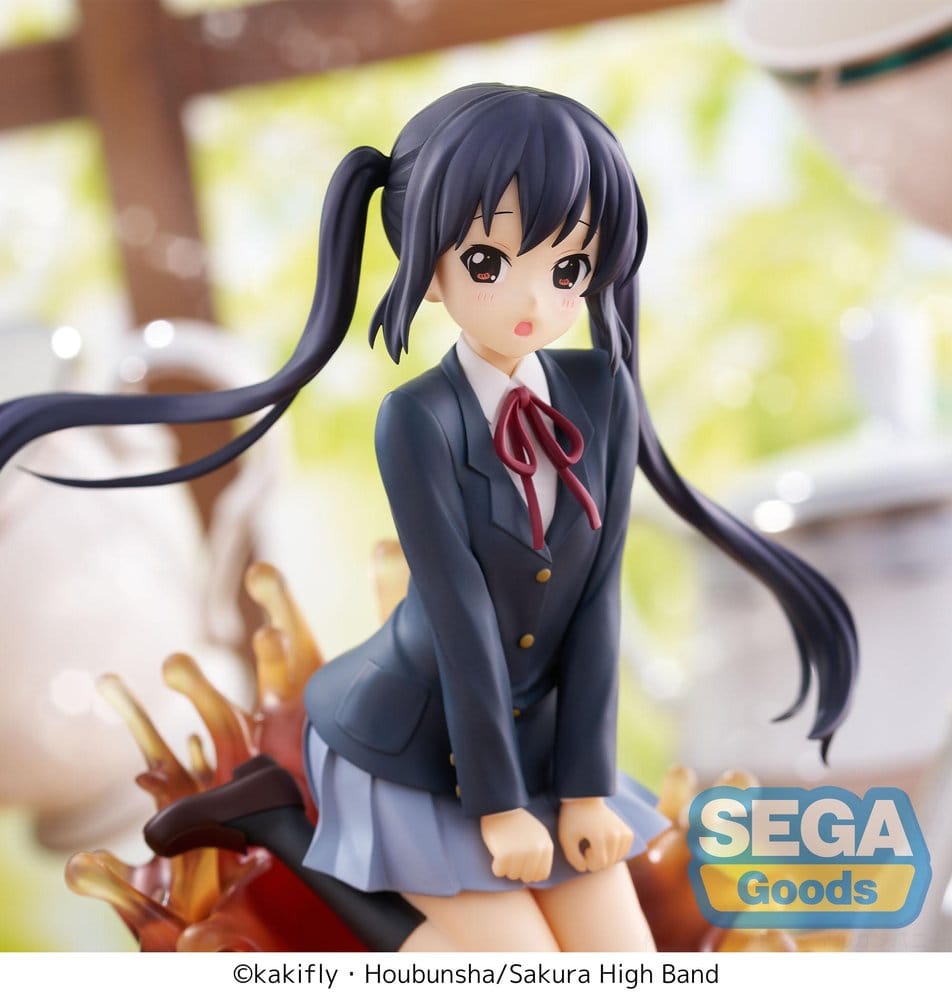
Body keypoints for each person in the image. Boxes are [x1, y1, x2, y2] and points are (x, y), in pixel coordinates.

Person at [0, 84, 857, 951]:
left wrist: (585, 790)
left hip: (540, 746)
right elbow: (460, 616)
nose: (534, 299)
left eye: (568, 269)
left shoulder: (604, 394)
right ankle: (284, 824)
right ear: (428, 260)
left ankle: (281, 819)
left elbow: (599, 598)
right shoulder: (417, 419)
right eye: (488, 262)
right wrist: (498, 810)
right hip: (411, 742)